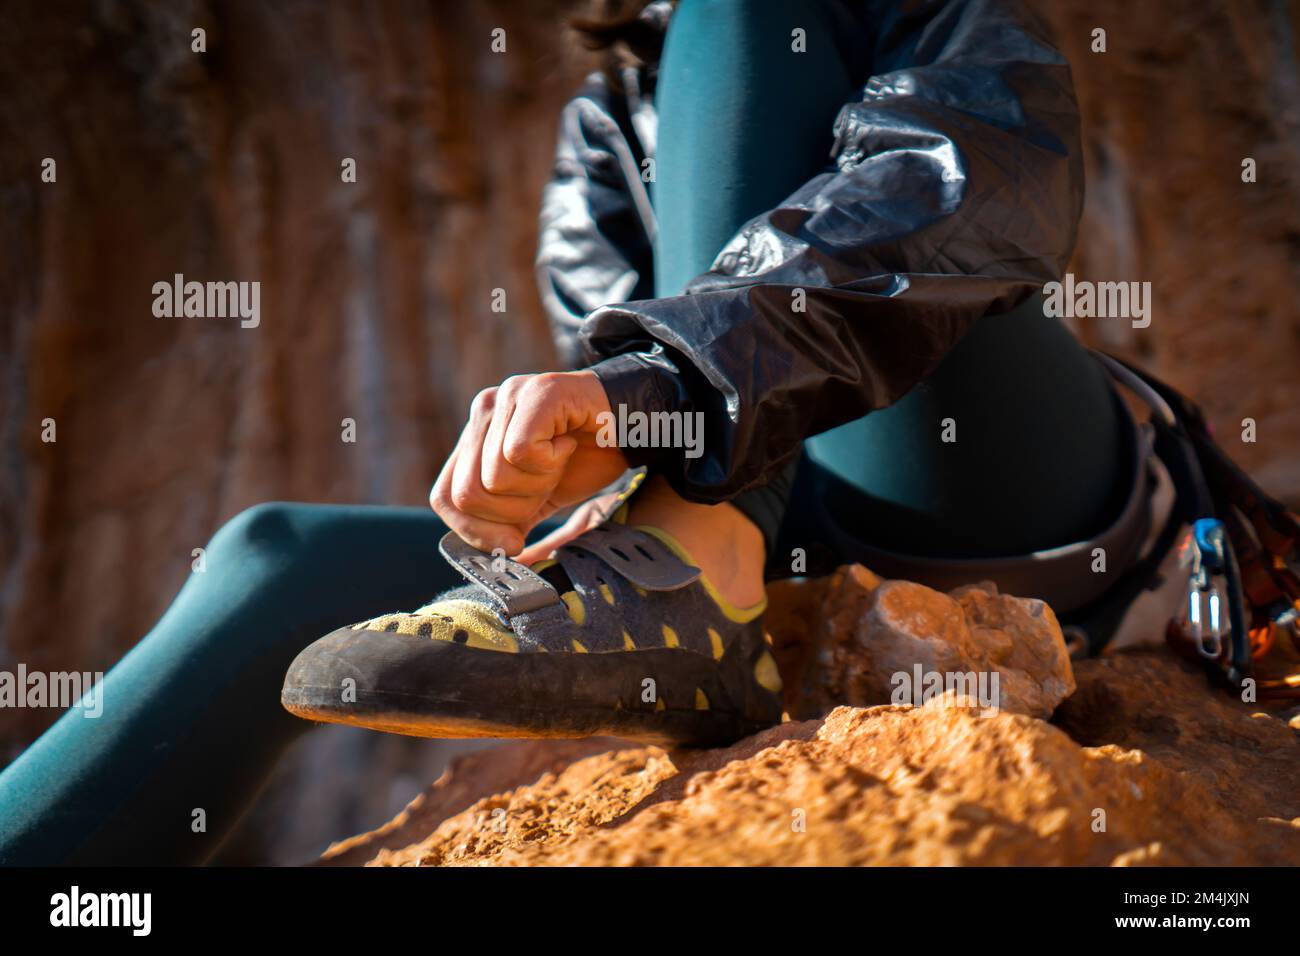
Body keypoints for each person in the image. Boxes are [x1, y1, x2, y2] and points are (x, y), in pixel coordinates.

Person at [0, 0, 1133, 865]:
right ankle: (696, 584)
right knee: (275, 561)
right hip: (772, 522)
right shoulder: (609, 120)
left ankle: (699, 570)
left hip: (984, 482)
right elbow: (613, 382)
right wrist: (575, 450)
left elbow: (980, 184)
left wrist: (660, 382)